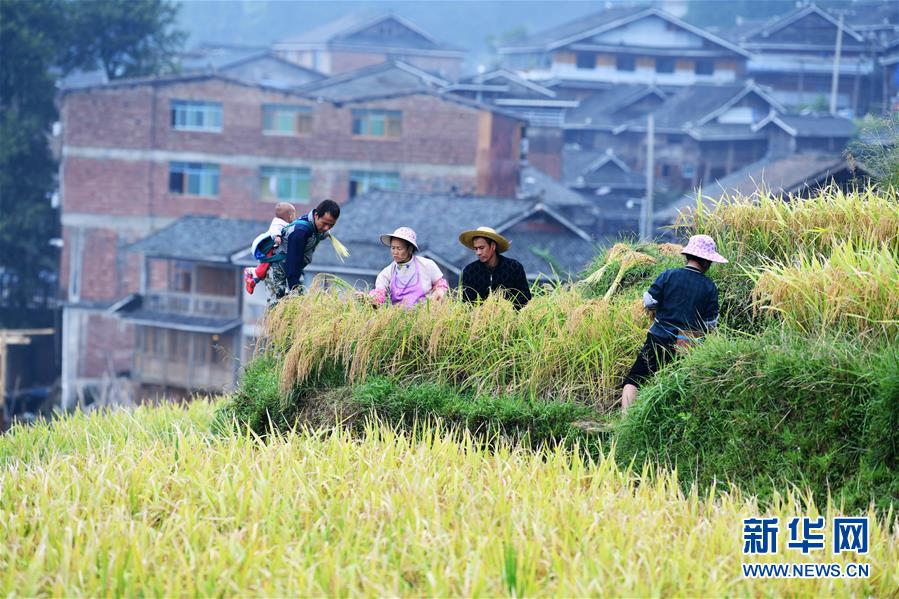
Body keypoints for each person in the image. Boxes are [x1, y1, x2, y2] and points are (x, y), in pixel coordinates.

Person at [619, 234, 727, 412]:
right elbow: (710, 323)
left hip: (659, 337)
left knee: (634, 380)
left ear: (688, 256)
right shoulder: (709, 287)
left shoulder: (669, 275)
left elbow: (649, 301)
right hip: (688, 344)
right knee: (680, 386)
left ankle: (626, 422)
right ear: (707, 262)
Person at [268, 199, 340, 299]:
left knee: (296, 300)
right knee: (277, 303)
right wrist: (295, 288)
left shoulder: (316, 227)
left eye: (331, 225)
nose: (326, 228)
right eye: (324, 223)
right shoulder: (300, 232)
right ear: (316, 215)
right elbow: (293, 262)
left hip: (294, 268)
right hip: (279, 269)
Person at [368, 227, 449, 308]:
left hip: (425, 317)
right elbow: (379, 294)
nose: (395, 252)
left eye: (399, 248)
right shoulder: (387, 272)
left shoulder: (427, 265)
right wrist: (369, 299)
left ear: (410, 249)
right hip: (398, 317)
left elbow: (440, 283)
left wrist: (439, 291)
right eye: (393, 248)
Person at [458, 226, 531, 309]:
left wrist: (507, 308)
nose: (478, 253)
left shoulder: (514, 267)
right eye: (476, 249)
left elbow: (525, 295)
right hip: (479, 319)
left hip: (510, 318)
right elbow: (467, 302)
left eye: (481, 248)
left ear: (493, 246)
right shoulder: (469, 271)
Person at [243, 202, 296, 294]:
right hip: (266, 247)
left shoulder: (287, 224)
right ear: (290, 216)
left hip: (272, 248)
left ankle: (254, 279)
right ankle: (251, 271)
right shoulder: (278, 223)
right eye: (294, 215)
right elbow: (275, 230)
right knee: (265, 266)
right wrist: (277, 236)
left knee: (266, 267)